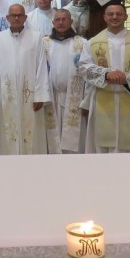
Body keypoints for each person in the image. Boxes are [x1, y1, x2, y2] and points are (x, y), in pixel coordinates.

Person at [78, 1, 130, 153]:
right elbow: (84, 67)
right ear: (104, 17)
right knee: (101, 147)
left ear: (125, 16)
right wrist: (106, 74)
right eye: (111, 14)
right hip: (102, 97)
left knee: (129, 145)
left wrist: (128, 79)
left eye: (119, 14)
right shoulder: (93, 42)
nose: (115, 17)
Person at [0, 4, 52, 154]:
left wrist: (41, 95)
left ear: (25, 18)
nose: (16, 18)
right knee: (6, 131)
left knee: (31, 133)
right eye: (13, 15)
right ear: (7, 18)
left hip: (30, 95)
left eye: (20, 15)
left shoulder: (36, 37)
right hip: (6, 94)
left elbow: (41, 67)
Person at [44, 9, 86, 154]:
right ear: (53, 22)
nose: (61, 22)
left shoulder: (82, 43)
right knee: (51, 139)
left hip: (75, 98)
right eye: (58, 20)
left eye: (64, 19)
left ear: (71, 22)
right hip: (51, 98)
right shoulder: (44, 43)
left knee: (74, 141)